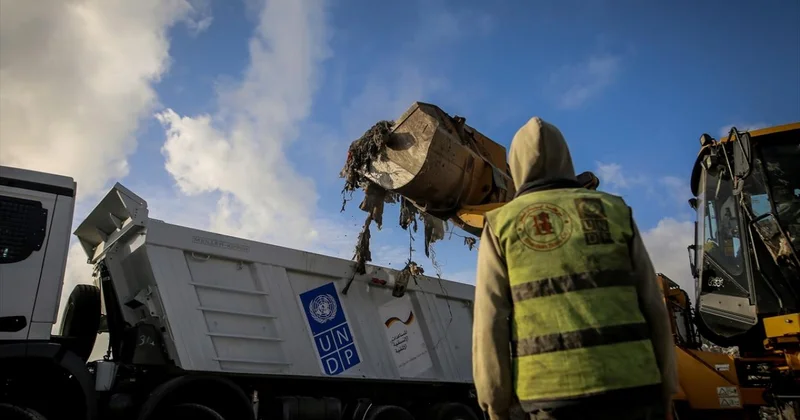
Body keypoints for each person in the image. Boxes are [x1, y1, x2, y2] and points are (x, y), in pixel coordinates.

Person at [472, 117, 678, 420]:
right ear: (566, 158)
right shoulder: (614, 211)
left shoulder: (501, 224)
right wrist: (667, 389)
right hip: (634, 387)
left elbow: (490, 321)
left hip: (552, 394)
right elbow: (653, 305)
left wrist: (495, 404)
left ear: (515, 166)